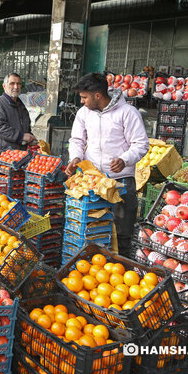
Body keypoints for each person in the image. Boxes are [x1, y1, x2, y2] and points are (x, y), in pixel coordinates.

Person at [66, 72, 150, 258]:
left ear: (97, 95)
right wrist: (75, 158)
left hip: (121, 183)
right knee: (92, 231)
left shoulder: (128, 113)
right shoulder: (84, 113)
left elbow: (141, 144)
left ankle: (122, 271)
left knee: (122, 234)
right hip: (93, 181)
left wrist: (125, 159)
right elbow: (77, 140)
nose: (81, 102)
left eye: (84, 97)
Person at [0, 73, 36, 178]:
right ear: (4, 86)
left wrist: (30, 137)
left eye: (18, 84)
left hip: (15, 157)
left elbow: (25, 127)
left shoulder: (21, 106)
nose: (16, 87)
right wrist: (22, 136)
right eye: (12, 83)